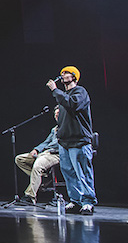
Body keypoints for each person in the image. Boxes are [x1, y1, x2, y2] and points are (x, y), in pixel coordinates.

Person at [46, 66, 97, 214]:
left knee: (82, 172)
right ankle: (75, 200)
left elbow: (72, 104)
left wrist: (55, 90)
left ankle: (88, 201)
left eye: (66, 73)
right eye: (61, 73)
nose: (62, 75)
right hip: (65, 141)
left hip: (79, 140)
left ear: (74, 76)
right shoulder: (63, 96)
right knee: (69, 172)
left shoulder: (80, 92)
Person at [14, 106, 61, 204]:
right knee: (20, 159)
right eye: (55, 114)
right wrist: (36, 149)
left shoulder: (67, 128)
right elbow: (46, 142)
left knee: (37, 166)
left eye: (58, 114)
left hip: (56, 154)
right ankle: (43, 178)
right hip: (45, 153)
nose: (56, 116)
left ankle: (30, 196)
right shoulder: (54, 129)